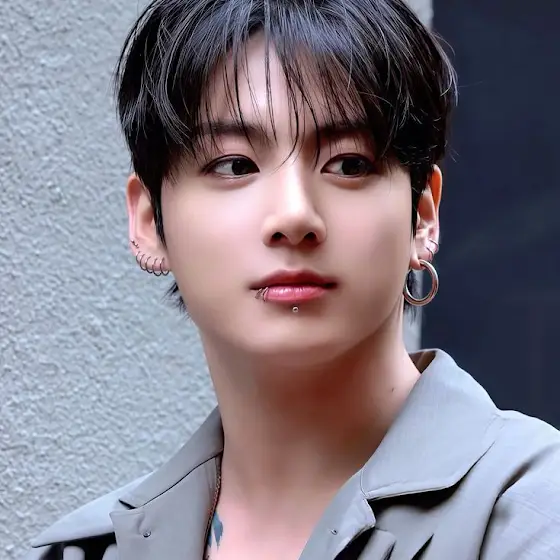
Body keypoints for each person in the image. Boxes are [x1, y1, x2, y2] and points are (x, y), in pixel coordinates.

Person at [25, 0, 560, 559]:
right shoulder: (82, 552)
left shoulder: (533, 517)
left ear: (422, 215)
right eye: (234, 165)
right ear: (148, 220)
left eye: (349, 164)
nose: (294, 215)